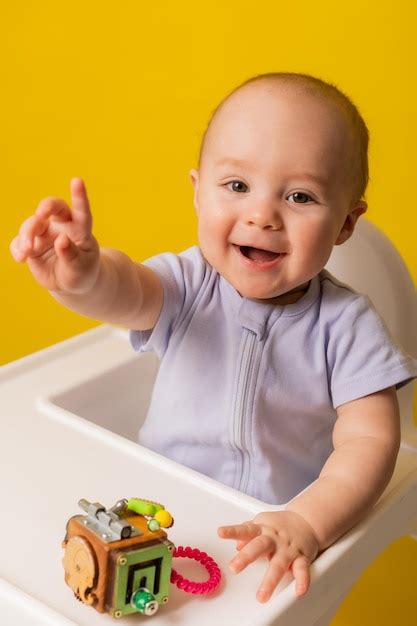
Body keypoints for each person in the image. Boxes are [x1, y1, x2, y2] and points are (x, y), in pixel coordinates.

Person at [10, 72, 417, 604]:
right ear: (198, 193)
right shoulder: (190, 282)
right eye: (237, 186)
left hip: (270, 529)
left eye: (299, 195)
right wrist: (83, 277)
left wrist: (308, 523)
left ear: (345, 222)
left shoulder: (347, 325)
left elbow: (371, 442)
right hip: (158, 508)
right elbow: (127, 291)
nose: (262, 214)